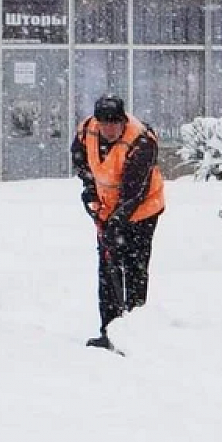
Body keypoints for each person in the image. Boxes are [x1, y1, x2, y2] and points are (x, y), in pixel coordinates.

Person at [71, 95, 165, 352]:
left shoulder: (141, 141)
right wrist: (90, 190)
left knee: (134, 268)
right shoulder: (87, 130)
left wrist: (116, 223)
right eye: (104, 123)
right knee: (108, 269)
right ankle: (109, 330)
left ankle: (135, 332)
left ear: (123, 121)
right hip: (108, 208)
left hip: (143, 210)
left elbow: (134, 192)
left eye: (114, 123)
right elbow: (80, 161)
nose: (109, 129)